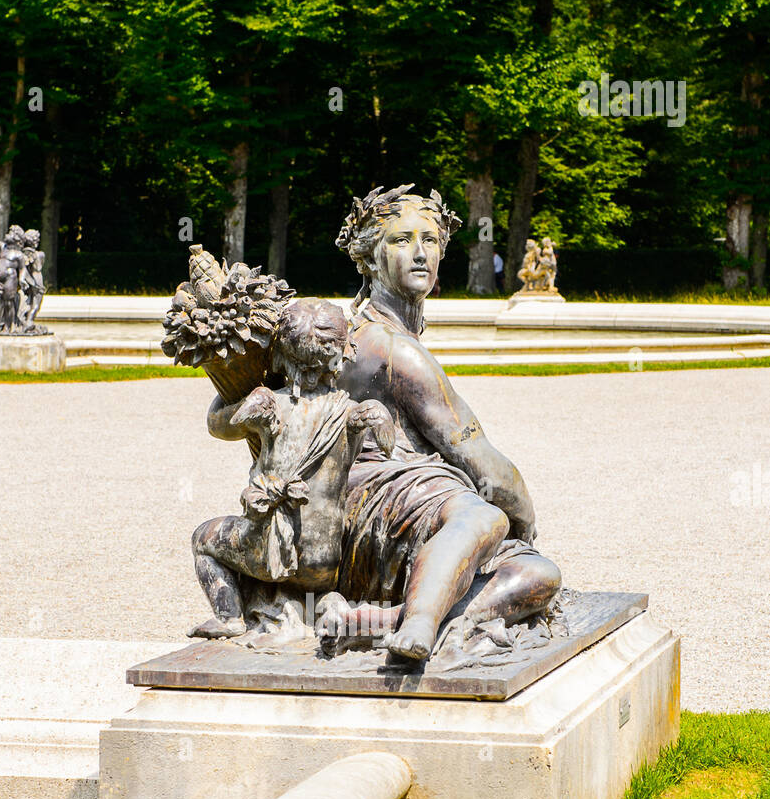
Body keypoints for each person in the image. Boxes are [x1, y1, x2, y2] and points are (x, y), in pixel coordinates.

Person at [333, 184, 561, 662]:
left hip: (395, 505)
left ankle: (393, 620)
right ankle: (417, 623)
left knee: (537, 576)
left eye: (430, 240)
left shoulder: (363, 332)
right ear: (369, 257)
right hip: (381, 509)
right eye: (400, 240)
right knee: (485, 517)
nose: (420, 253)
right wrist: (525, 519)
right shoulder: (395, 349)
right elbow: (481, 461)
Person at [189, 299, 394, 638]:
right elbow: (384, 447)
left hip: (277, 555)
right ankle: (323, 604)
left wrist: (238, 379)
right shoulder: (357, 412)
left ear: (282, 353)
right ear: (342, 353)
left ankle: (229, 618)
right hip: (325, 563)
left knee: (203, 539)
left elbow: (219, 425)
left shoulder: (269, 404)